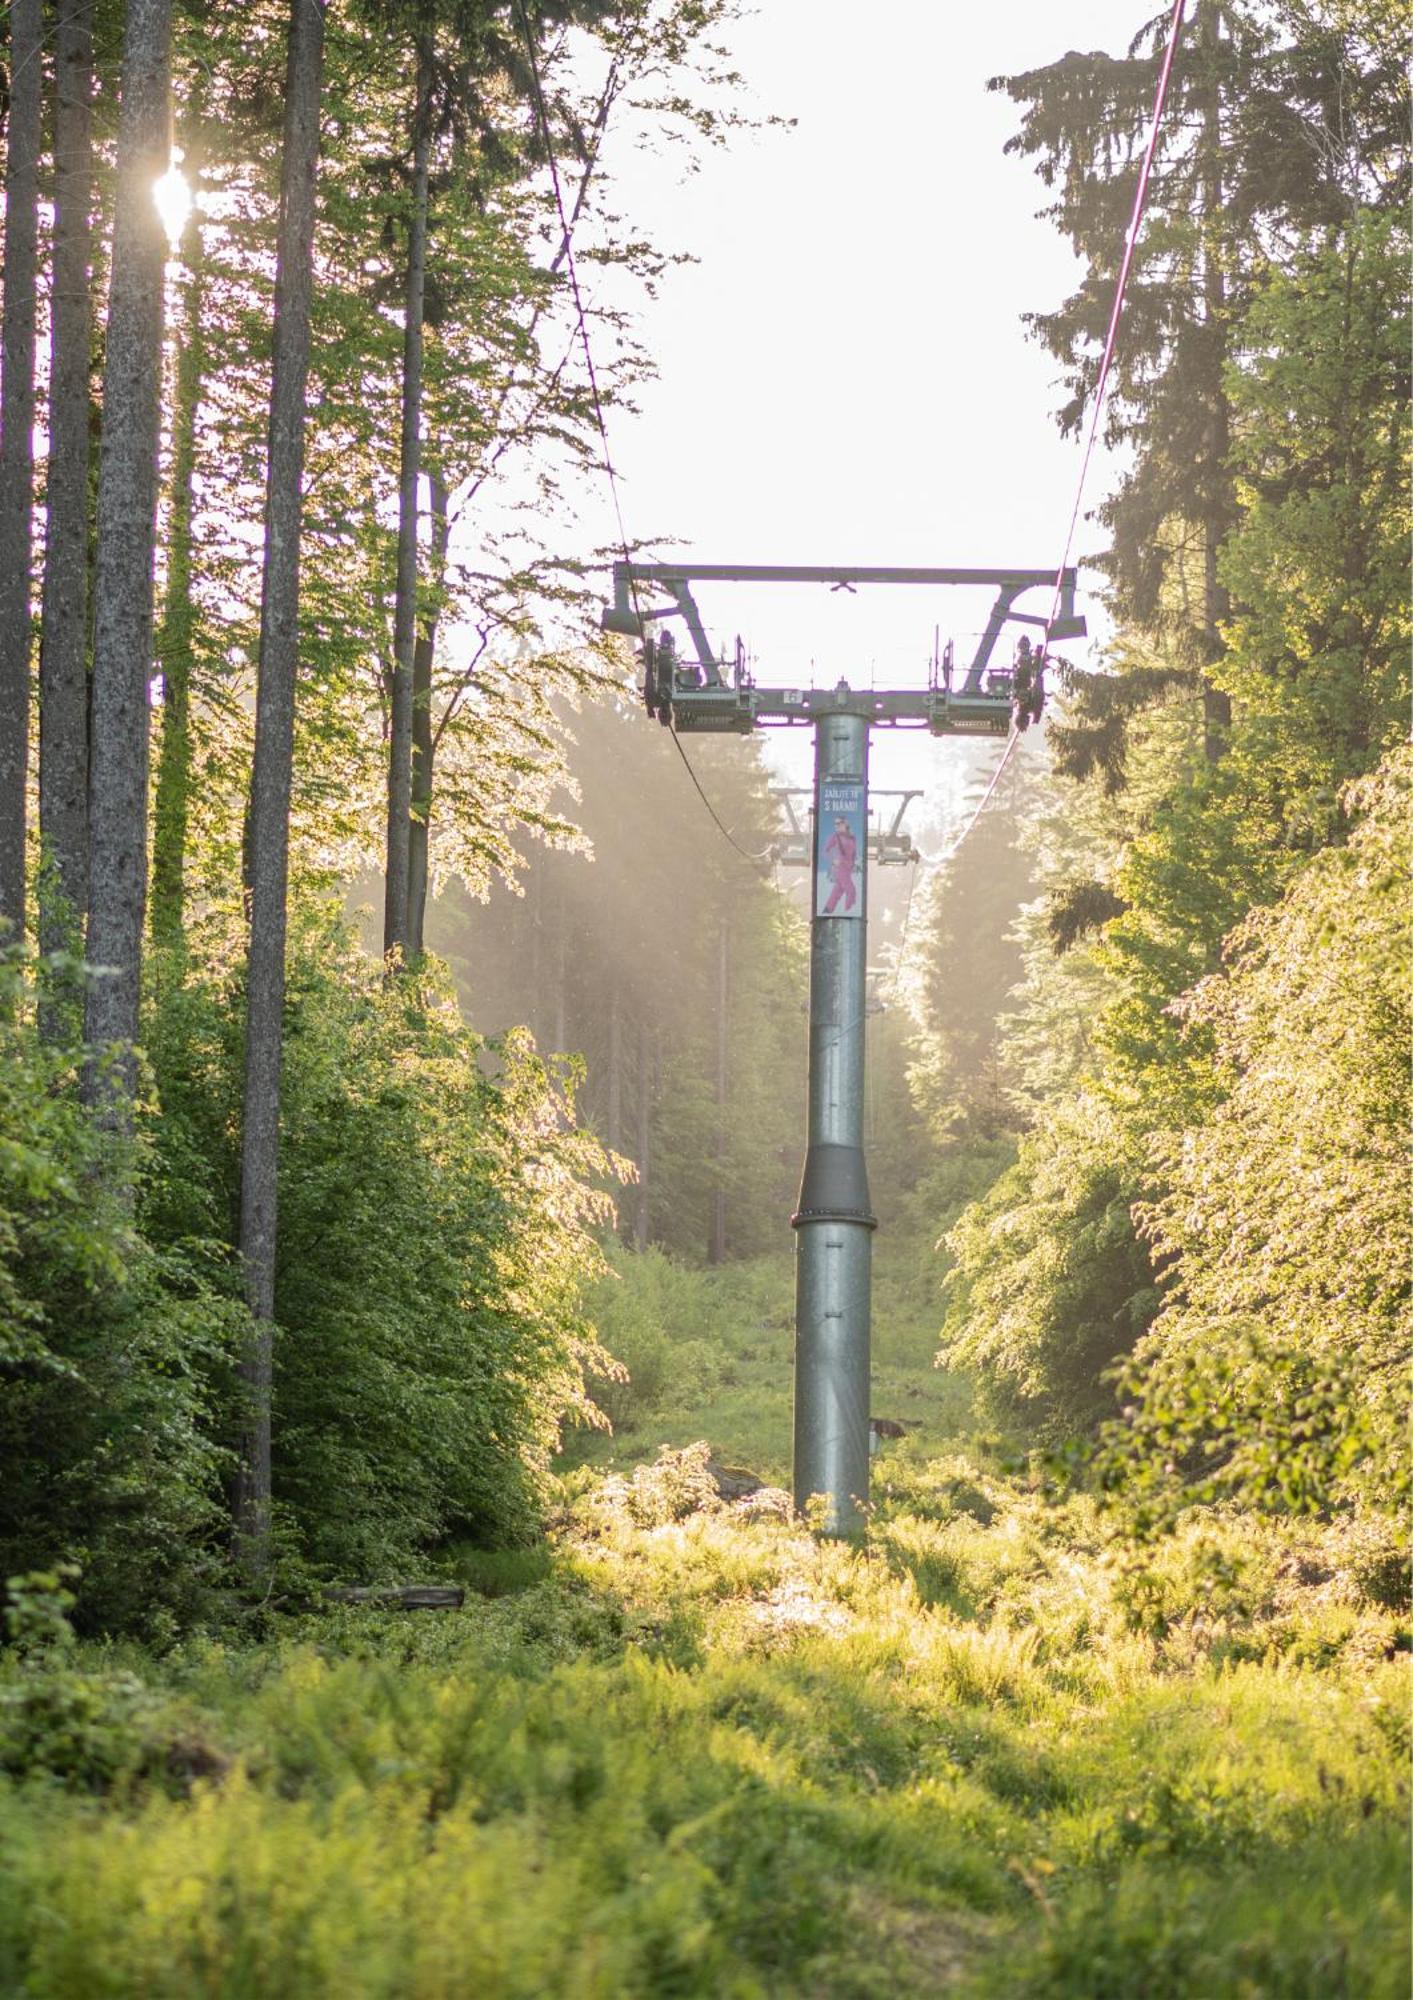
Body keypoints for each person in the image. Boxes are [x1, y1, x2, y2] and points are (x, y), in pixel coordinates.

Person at [822, 815, 859, 914]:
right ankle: (849, 914)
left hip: (849, 868)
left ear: (845, 823)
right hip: (841, 868)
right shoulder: (835, 837)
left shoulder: (852, 837)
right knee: (851, 892)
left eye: (839, 823)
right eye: (835, 824)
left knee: (837, 892)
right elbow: (825, 851)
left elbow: (854, 853)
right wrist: (833, 860)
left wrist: (855, 863)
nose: (836, 826)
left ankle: (827, 910)